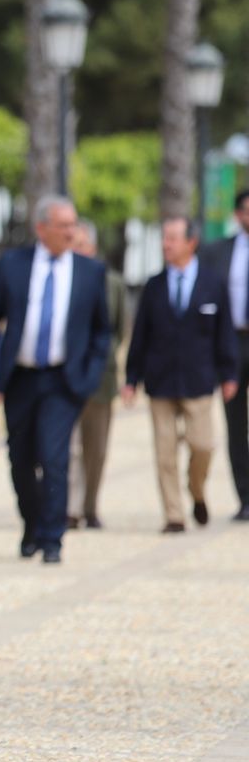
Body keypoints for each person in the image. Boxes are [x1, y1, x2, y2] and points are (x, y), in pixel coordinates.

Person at [0, 196, 111, 565]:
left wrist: (90, 373)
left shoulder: (89, 271)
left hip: (65, 380)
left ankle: (53, 539)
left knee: (54, 456)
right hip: (19, 377)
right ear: (41, 228)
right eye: (63, 225)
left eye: (73, 225)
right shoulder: (13, 265)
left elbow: (101, 332)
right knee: (20, 458)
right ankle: (31, 525)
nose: (71, 232)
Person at [122, 217, 238, 532]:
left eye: (172, 238)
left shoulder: (212, 283)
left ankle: (196, 491)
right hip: (160, 381)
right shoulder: (154, 286)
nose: (166, 244)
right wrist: (131, 379)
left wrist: (229, 373)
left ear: (191, 242)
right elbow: (140, 336)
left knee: (203, 446)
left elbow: (224, 332)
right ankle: (174, 515)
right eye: (164, 238)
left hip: (198, 380)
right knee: (165, 453)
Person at [67, 220, 129, 530]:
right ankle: (70, 507)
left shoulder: (112, 283)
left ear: (91, 249)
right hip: (65, 378)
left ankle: (90, 505)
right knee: (68, 445)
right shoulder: (61, 279)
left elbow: (118, 329)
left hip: (101, 379)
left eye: (80, 245)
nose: (75, 251)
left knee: (97, 447)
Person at [199, 189, 249, 521]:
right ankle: (245, 497)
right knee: (235, 423)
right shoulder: (217, 252)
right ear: (237, 214)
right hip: (232, 343)